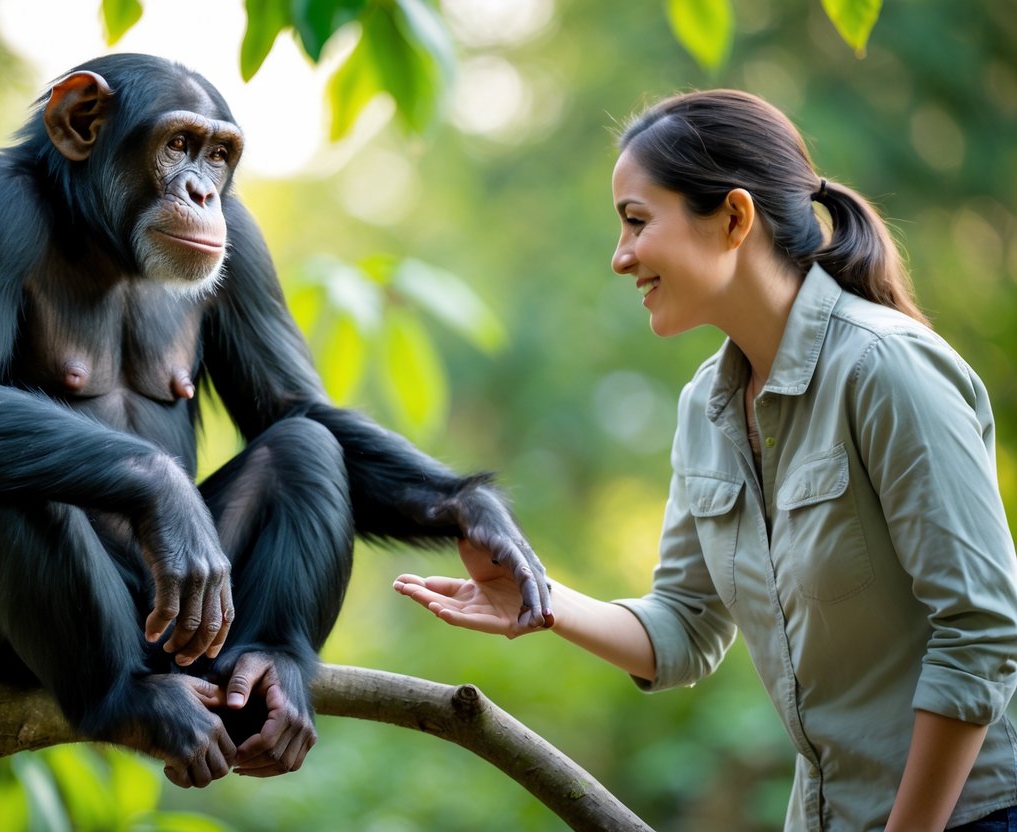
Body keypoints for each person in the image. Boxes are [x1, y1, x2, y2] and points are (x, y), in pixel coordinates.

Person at [393, 89, 1017, 831]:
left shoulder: (886, 370)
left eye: (635, 221)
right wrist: (539, 600)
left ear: (732, 217)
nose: (619, 257)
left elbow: (980, 629)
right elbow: (685, 630)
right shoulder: (705, 408)